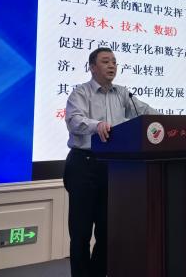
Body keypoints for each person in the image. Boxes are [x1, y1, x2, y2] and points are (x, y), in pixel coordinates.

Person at [63, 47, 158, 277]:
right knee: (81, 232)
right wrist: (97, 125)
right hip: (84, 165)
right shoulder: (80, 93)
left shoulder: (123, 94)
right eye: (105, 61)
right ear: (92, 67)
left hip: (113, 168)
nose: (112, 65)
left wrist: (166, 122)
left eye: (114, 61)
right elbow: (74, 120)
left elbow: (145, 112)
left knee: (108, 230)